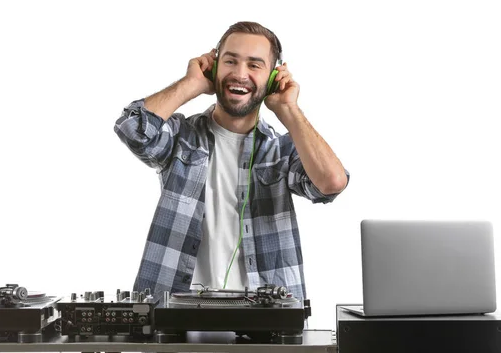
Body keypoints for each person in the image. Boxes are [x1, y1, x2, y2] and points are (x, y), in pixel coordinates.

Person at [114, 21, 349, 301]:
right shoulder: (180, 137)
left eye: (254, 65)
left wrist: (289, 109)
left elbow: (331, 182)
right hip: (175, 316)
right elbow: (133, 129)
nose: (239, 74)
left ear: (274, 77)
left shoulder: (281, 150)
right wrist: (190, 84)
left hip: (265, 322)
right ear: (214, 66)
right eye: (230, 61)